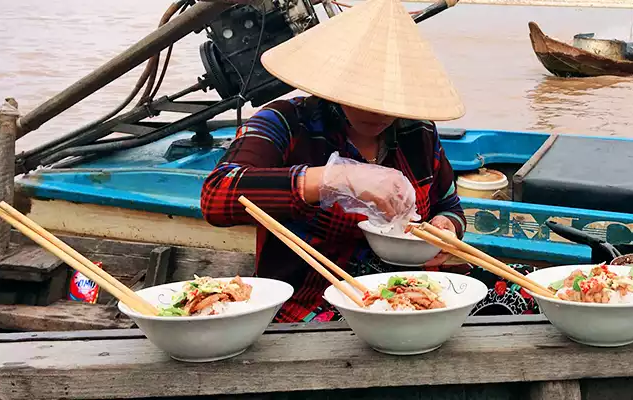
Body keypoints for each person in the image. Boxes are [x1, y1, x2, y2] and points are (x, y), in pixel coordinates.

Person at [200, 0, 540, 323]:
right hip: (317, 298)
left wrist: (445, 230)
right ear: (335, 77)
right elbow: (217, 195)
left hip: (416, 288)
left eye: (392, 98)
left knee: (529, 293)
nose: (379, 112)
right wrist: (331, 179)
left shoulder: (418, 132)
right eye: (364, 94)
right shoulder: (286, 121)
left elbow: (449, 205)